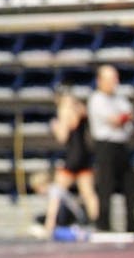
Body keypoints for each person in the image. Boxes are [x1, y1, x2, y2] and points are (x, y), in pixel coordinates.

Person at [87, 65, 134, 233]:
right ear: (100, 81)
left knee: (131, 185)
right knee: (105, 186)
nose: (114, 82)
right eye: (110, 79)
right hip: (106, 146)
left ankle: (132, 224)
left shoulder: (120, 98)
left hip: (122, 145)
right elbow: (116, 119)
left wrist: (124, 118)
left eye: (115, 78)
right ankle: (104, 225)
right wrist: (124, 118)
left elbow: (132, 116)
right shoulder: (97, 99)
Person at [49, 91, 99, 224]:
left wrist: (56, 127)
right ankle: (98, 223)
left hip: (73, 156)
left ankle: (50, 225)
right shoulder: (81, 110)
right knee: (88, 193)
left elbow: (63, 137)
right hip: (84, 154)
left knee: (56, 192)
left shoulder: (64, 112)